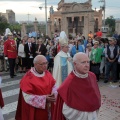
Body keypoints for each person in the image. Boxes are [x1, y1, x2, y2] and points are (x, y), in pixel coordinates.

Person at [53, 52, 101, 120]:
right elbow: (66, 109)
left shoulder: (92, 76)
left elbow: (96, 95)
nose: (87, 65)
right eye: (83, 62)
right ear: (75, 64)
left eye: (88, 62)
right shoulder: (69, 83)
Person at [15, 55, 57, 120]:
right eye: (42, 64)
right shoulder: (28, 78)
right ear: (35, 64)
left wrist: (54, 93)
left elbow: (53, 85)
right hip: (36, 110)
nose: (45, 65)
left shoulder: (47, 73)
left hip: (48, 107)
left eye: (46, 63)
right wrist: (44, 99)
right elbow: (27, 97)